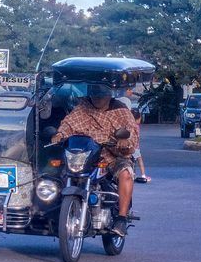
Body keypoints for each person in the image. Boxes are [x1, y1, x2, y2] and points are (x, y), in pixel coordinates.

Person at [52, 82, 140, 236]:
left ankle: (121, 219)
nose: (97, 98)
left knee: (126, 173)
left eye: (101, 94)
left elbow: (131, 133)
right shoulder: (83, 108)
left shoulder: (121, 111)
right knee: (52, 172)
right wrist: (59, 135)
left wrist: (125, 141)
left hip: (111, 156)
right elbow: (69, 123)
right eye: (94, 93)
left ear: (109, 94)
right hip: (84, 156)